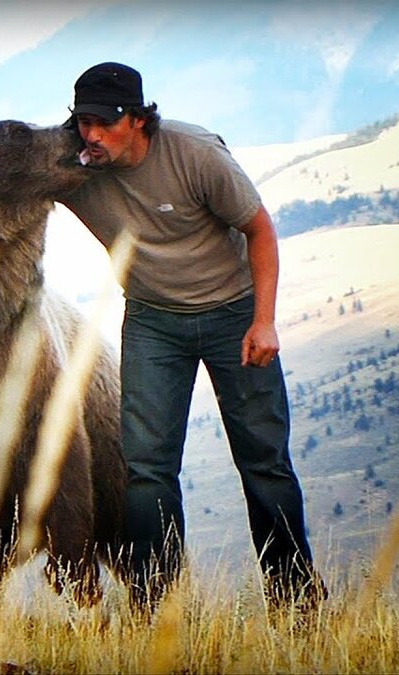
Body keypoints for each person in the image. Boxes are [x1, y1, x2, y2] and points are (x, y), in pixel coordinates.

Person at [57, 62, 326, 615]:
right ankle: (157, 605)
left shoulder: (194, 153)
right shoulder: (72, 164)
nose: (92, 135)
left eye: (105, 123)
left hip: (234, 315)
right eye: (84, 122)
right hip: (153, 321)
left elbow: (260, 230)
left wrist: (264, 321)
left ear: (138, 119)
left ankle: (296, 597)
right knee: (146, 467)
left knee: (264, 461)